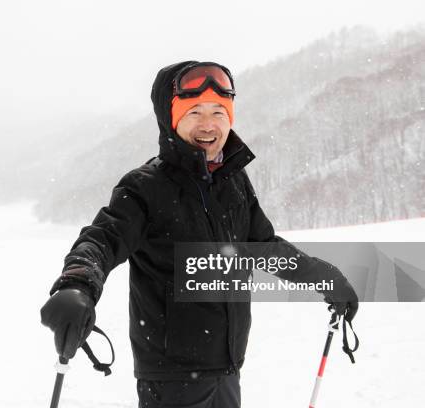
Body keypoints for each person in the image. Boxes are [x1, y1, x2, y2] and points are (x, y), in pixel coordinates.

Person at [40, 61, 359, 408]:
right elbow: (102, 239)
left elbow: (264, 247)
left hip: (227, 369)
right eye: (195, 111)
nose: (209, 125)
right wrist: (78, 284)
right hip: (172, 381)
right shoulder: (145, 187)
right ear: (171, 117)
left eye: (219, 111)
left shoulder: (233, 183)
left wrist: (325, 278)